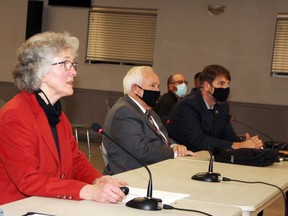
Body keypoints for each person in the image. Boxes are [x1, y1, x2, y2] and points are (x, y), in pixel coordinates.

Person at [0, 31, 126, 205]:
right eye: (65, 64)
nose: (74, 71)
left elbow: (75, 161)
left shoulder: (57, 115)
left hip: (48, 203)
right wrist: (88, 191)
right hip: (17, 207)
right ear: (39, 72)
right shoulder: (14, 116)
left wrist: (98, 180)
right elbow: (27, 179)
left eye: (73, 64)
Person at [103, 66, 195, 175]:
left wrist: (174, 146)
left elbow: (162, 136)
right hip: (133, 175)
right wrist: (174, 153)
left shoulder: (147, 109)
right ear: (135, 89)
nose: (157, 90)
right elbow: (141, 150)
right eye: (152, 86)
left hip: (153, 169)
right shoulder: (123, 112)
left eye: (158, 86)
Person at [166, 64, 263, 152]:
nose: (226, 88)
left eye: (227, 84)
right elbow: (198, 140)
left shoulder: (222, 106)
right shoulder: (188, 105)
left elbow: (227, 135)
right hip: (184, 157)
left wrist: (248, 144)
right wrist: (238, 145)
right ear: (206, 85)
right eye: (221, 84)